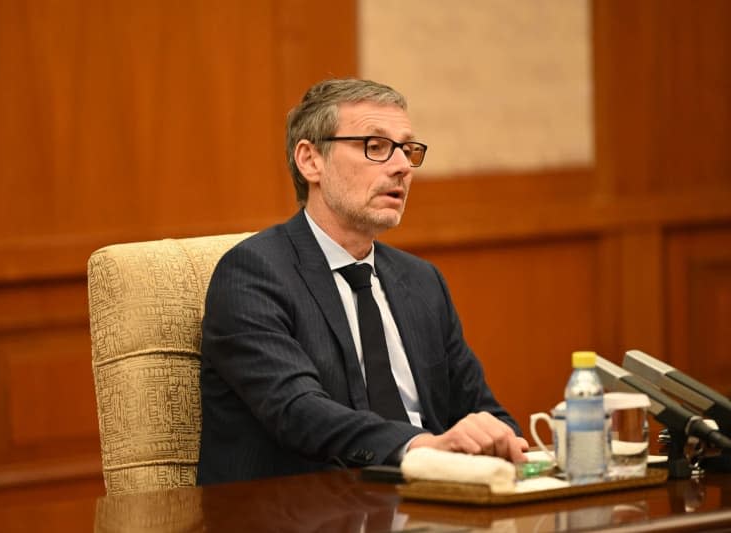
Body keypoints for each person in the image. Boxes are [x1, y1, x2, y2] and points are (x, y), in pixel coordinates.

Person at [198, 78, 528, 485]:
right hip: (304, 513)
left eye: (407, 149)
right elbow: (299, 411)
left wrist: (501, 440)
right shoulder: (252, 274)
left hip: (432, 509)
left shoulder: (421, 281)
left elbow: (480, 408)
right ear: (310, 160)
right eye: (375, 146)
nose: (403, 166)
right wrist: (423, 449)